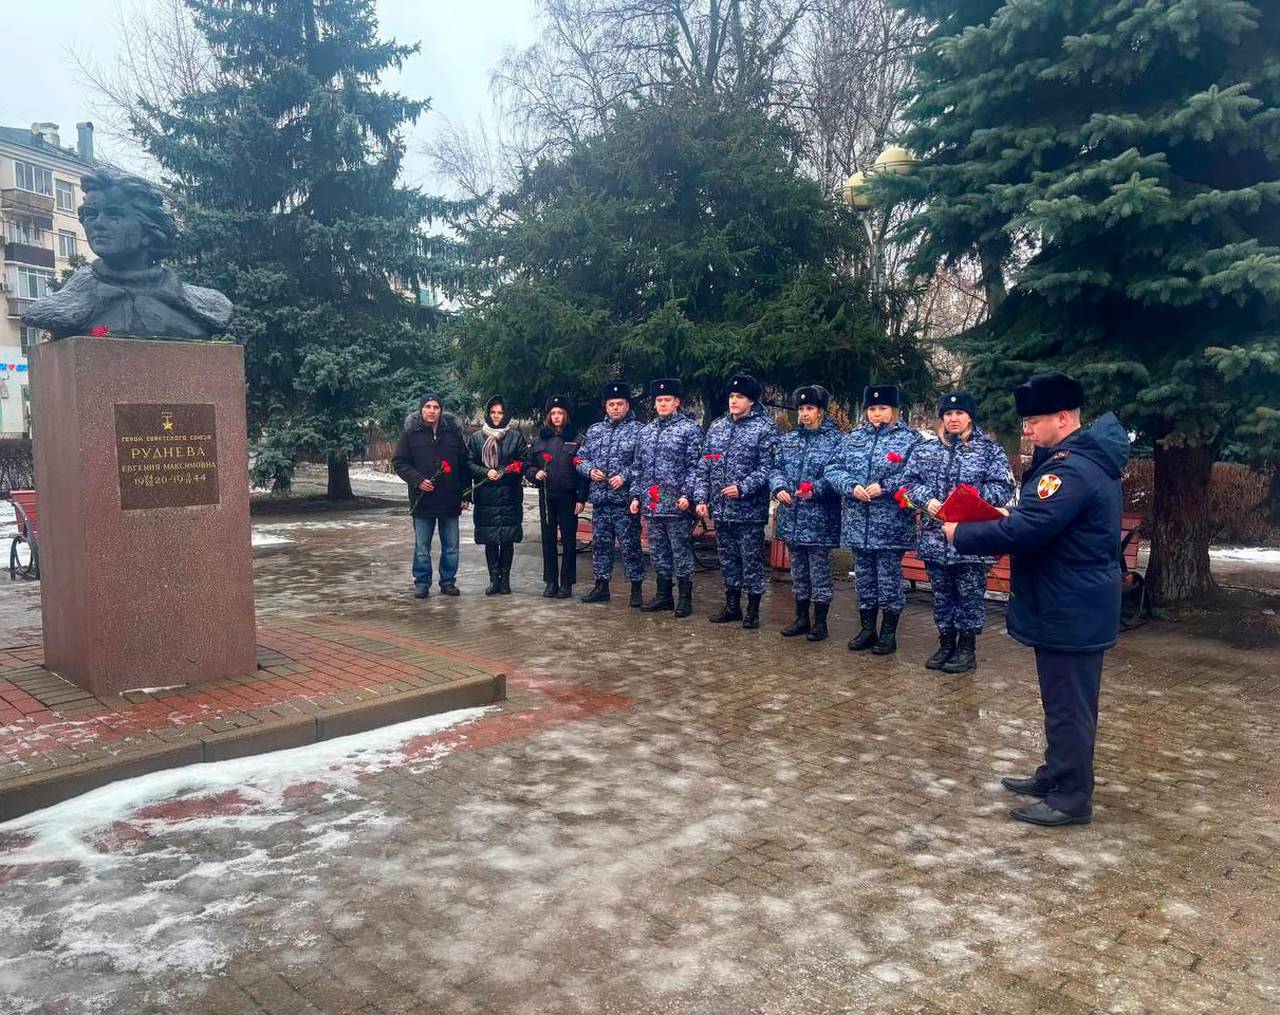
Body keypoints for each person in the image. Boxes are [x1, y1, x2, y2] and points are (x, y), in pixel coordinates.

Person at [943, 372, 1129, 827]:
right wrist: (1011, 513)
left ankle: (1071, 798)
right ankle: (1057, 774)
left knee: (1070, 704)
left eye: (1034, 421)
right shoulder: (1075, 461)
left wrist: (962, 532)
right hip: (1068, 600)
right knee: (1060, 698)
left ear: (1062, 419)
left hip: (1072, 604)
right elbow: (1042, 520)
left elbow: (1030, 530)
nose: (1027, 430)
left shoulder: (1071, 468)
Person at [22, 168, 232, 340]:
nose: (98, 224)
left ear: (149, 230)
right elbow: (98, 335)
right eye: (91, 214)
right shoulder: (67, 307)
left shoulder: (207, 307)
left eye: (114, 215)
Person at [903, 391, 1015, 673]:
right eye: (948, 414)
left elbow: (1003, 486)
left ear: (970, 417)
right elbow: (909, 481)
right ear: (941, 417)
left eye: (959, 413)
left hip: (971, 538)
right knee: (941, 596)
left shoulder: (989, 449)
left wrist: (973, 498)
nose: (954, 419)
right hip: (935, 535)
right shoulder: (926, 449)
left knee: (969, 596)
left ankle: (967, 649)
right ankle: (945, 644)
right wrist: (925, 499)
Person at [825, 384, 922, 654]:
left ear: (894, 410)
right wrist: (850, 485)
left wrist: (885, 486)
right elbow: (832, 468)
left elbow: (915, 475)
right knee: (864, 578)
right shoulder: (853, 437)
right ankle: (867, 628)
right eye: (872, 409)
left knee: (889, 579)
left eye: (882, 409)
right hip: (858, 522)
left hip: (890, 523)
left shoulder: (910, 440)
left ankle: (888, 632)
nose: (876, 414)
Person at [694, 374, 779, 629]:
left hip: (748, 510)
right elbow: (705, 465)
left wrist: (743, 488)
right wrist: (701, 497)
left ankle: (752, 609)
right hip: (721, 509)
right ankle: (732, 605)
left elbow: (768, 468)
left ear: (751, 401)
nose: (734, 401)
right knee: (728, 559)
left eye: (740, 397)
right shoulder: (718, 427)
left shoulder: (764, 428)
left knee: (751, 560)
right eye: (731, 396)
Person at [769, 386, 844, 642]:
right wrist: (779, 487)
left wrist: (816, 489)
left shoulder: (835, 441)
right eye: (801, 409)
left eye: (809, 409)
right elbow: (775, 468)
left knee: (819, 571)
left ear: (821, 411)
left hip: (820, 518)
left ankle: (820, 622)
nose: (804, 414)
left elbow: (837, 477)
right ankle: (801, 617)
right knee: (798, 570)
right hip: (792, 516)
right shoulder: (789, 439)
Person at [629, 378, 703, 617]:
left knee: (680, 552)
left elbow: (696, 467)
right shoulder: (646, 432)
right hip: (652, 505)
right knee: (658, 552)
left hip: (676, 505)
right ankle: (663, 596)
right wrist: (636, 496)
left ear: (677, 402)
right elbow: (638, 467)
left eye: (667, 400)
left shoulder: (690, 430)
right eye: (659, 400)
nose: (662, 404)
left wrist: (687, 496)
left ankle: (684, 598)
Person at [391, 393, 468, 598]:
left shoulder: (453, 434)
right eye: (428, 407)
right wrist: (418, 480)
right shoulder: (411, 434)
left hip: (450, 500)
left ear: (441, 410)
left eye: (435, 407)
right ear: (421, 409)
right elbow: (399, 462)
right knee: (422, 546)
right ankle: (422, 583)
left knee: (451, 546)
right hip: (422, 501)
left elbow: (464, 465)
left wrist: (466, 495)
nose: (432, 411)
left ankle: (448, 581)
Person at [576, 382, 646, 606]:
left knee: (630, 546)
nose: (615, 408)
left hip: (624, 501)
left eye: (620, 404)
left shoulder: (639, 430)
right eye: (611, 404)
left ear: (627, 406)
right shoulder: (595, 430)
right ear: (605, 406)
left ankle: (636, 588)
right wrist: (589, 470)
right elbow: (579, 458)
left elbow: (643, 463)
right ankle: (601, 585)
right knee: (601, 545)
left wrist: (625, 476)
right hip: (601, 500)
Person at [526, 396, 590, 599]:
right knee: (548, 540)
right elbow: (528, 465)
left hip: (568, 496)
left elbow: (583, 471)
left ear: (566, 415)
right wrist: (534, 474)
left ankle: (566, 583)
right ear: (548, 416)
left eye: (560, 413)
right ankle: (551, 581)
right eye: (553, 413)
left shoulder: (577, 439)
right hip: (547, 495)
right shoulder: (539, 439)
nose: (556, 417)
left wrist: (581, 498)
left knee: (569, 540)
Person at [467, 395, 528, 596]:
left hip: (509, 495)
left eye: (500, 412)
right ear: (487, 413)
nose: (496, 416)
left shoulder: (515, 437)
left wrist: (506, 471)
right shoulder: (477, 438)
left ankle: (505, 579)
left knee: (507, 539)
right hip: (486, 497)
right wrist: (486, 472)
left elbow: (523, 462)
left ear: (506, 414)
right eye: (493, 412)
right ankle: (494, 579)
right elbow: (469, 464)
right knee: (491, 539)